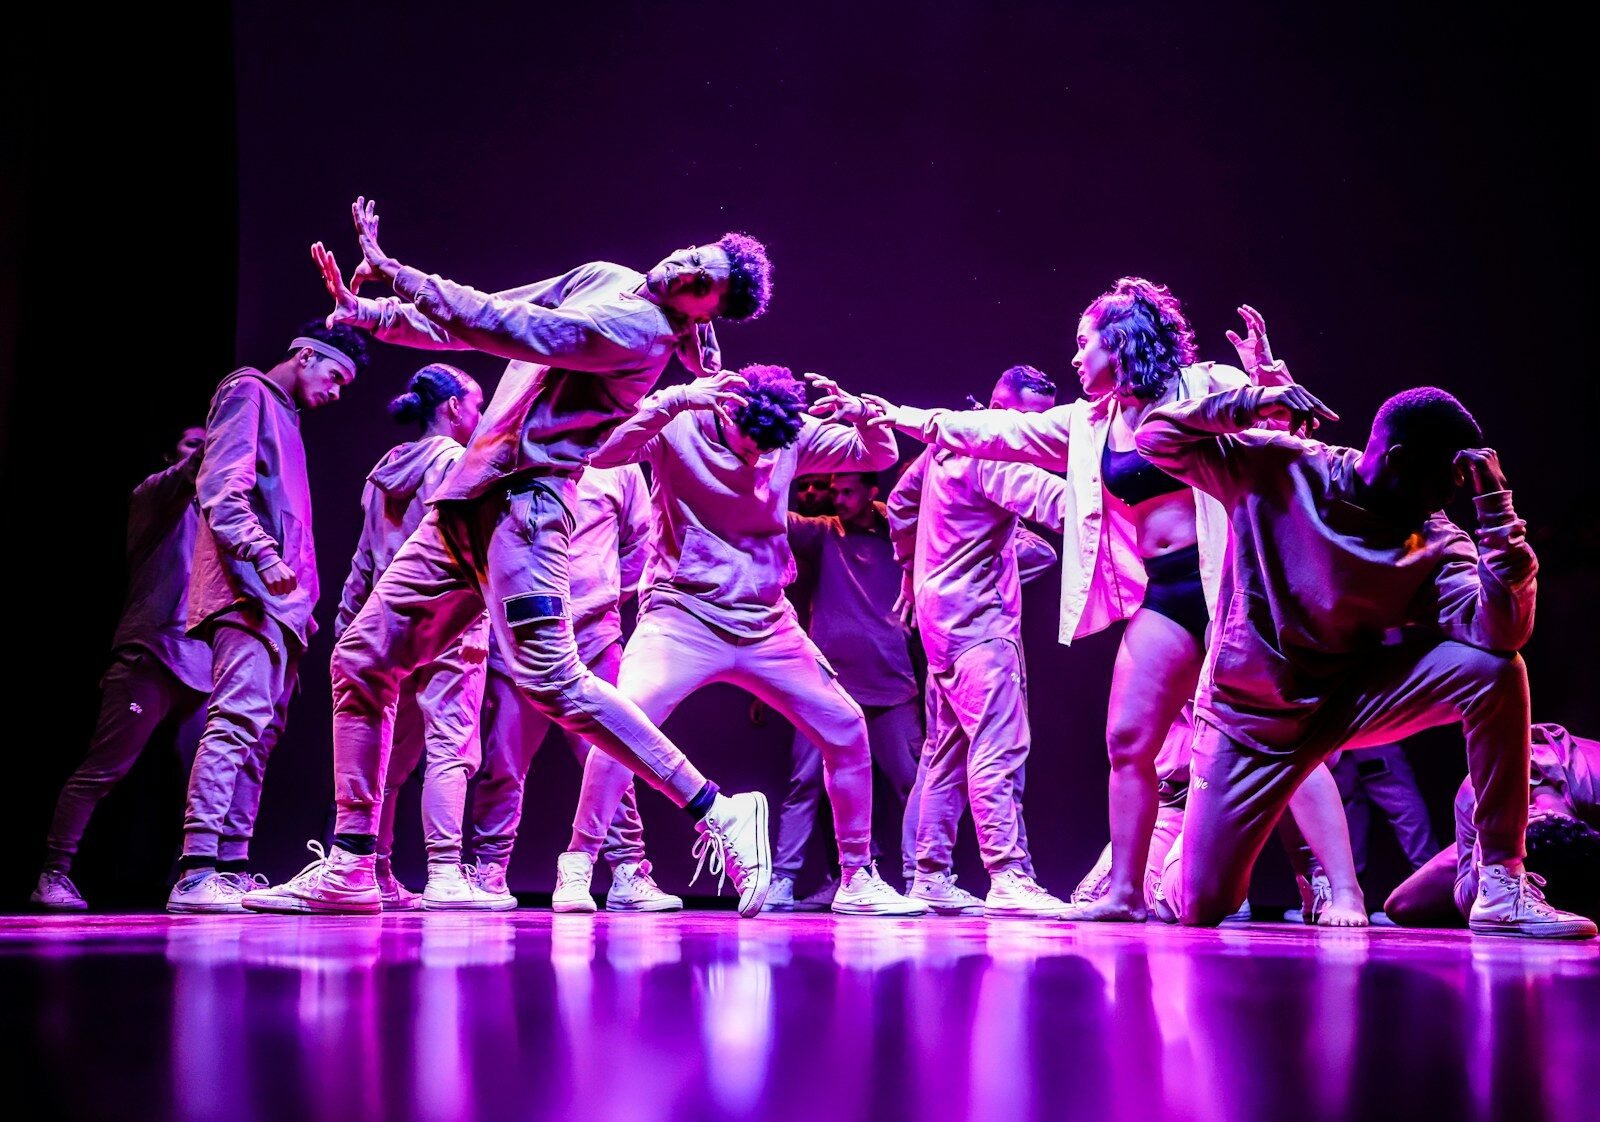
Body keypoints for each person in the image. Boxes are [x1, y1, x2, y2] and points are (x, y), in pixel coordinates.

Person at [243, 200, 777, 917]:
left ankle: (717, 809)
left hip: (525, 513)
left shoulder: (641, 331)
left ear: (696, 314)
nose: (683, 266)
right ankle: (349, 865)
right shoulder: (609, 278)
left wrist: (399, 273)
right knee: (362, 659)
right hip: (467, 499)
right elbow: (491, 309)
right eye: (692, 254)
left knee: (553, 681)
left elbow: (510, 331)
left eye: (699, 282)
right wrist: (373, 313)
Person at [867, 286, 1365, 925]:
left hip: (1230, 590)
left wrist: (1268, 373)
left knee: (1280, 738)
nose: (1076, 357)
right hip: (1165, 592)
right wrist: (900, 416)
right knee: (1129, 738)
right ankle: (1125, 893)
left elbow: (1282, 429)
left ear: (1120, 341)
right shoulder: (1090, 422)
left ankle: (1345, 891)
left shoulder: (1203, 382)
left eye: (1084, 342)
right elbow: (997, 430)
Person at [1135, 376, 1596, 938]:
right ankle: (1184, 842)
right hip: (1247, 720)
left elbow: (1502, 634)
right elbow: (1155, 438)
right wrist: (1249, 402)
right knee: (1201, 906)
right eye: (1439, 482)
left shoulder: (1434, 540)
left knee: (1496, 672)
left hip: (1343, 705)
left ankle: (1501, 882)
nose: (1445, 498)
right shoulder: (1283, 467)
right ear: (1397, 459)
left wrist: (1497, 513)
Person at [559, 364, 925, 916]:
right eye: (748, 446)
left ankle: (856, 878)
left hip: (765, 622)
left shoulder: (787, 433)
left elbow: (876, 456)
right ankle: (579, 864)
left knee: (847, 728)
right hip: (683, 616)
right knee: (621, 723)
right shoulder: (680, 424)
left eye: (768, 452)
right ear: (726, 413)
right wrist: (672, 400)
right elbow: (602, 452)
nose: (757, 460)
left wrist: (867, 421)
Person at [168, 322, 370, 913]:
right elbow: (221, 488)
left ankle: (229, 868)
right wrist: (262, 554)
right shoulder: (248, 391)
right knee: (235, 722)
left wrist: (300, 604)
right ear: (305, 355)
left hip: (284, 606)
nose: (336, 392)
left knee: (259, 736)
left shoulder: (288, 416)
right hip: (249, 592)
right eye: (334, 376)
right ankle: (195, 870)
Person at [888, 364, 1075, 916]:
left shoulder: (946, 446)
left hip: (941, 622)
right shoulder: (995, 456)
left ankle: (930, 875)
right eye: (1032, 424)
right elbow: (1060, 502)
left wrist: (911, 568)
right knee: (1001, 745)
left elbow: (900, 503)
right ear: (1004, 411)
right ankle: (1009, 874)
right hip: (979, 627)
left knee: (946, 750)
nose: (1036, 439)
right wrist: (1138, 498)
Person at [469, 462, 683, 912]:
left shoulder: (620, 464)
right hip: (522, 636)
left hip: (592, 636)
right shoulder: (524, 447)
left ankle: (627, 870)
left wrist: (600, 596)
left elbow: (638, 544)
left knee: (611, 760)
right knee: (502, 760)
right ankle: (489, 872)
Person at [331, 363, 504, 910]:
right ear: (452, 407)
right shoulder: (457, 463)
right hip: (449, 624)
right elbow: (467, 548)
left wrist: (349, 622)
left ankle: (376, 869)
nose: (479, 416)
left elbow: (363, 559)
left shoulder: (383, 470)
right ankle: (446, 872)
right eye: (475, 405)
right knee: (451, 747)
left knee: (392, 755)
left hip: (391, 629)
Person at [33, 427, 210, 910]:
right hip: (149, 656)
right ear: (170, 453)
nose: (201, 449)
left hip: (200, 668)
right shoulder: (153, 496)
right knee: (104, 770)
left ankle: (195, 879)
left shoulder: (215, 518)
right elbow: (195, 470)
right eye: (192, 442)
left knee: (206, 778)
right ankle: (53, 873)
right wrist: (236, 422)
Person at [769, 470, 922, 909]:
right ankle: (784, 878)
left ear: (873, 492)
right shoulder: (825, 534)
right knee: (805, 783)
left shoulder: (902, 534)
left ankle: (921, 875)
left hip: (890, 683)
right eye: (835, 491)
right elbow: (779, 517)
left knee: (911, 782)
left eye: (848, 491)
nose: (838, 499)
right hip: (826, 685)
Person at [1386, 722, 1600, 927]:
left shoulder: (1593, 787)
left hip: (1573, 851)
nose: (1530, 810)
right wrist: (1485, 848)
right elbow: (1464, 900)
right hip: (1505, 830)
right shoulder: (1479, 793)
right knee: (1400, 905)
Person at [1329, 743, 1438, 876]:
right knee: (1400, 802)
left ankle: (1345, 882)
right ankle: (1429, 873)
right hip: (1360, 737)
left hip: (1338, 738)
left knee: (1346, 805)